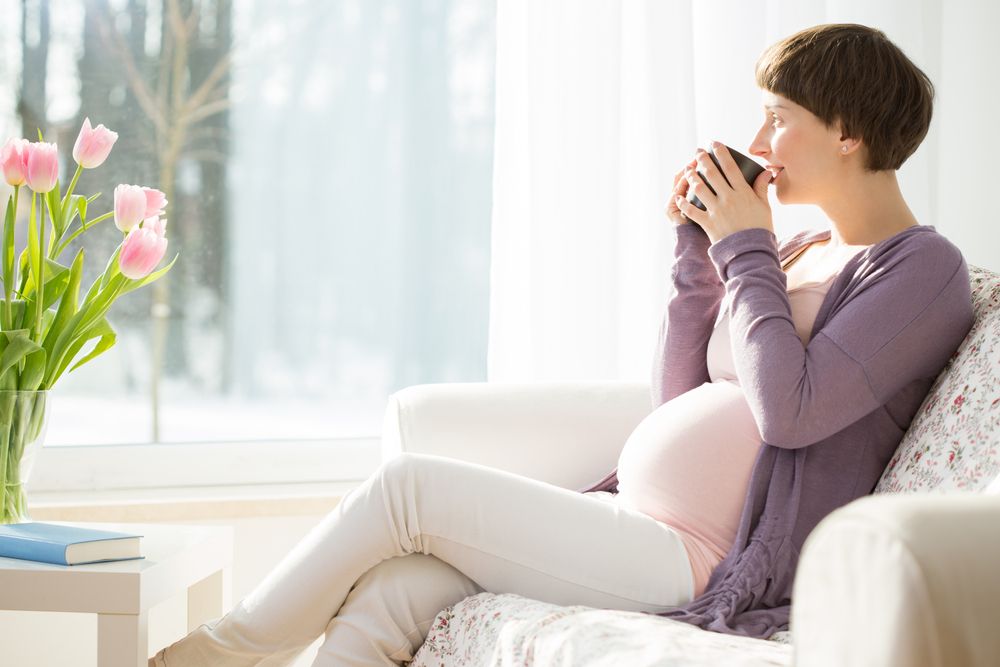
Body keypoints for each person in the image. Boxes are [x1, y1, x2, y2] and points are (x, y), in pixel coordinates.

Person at [150, 22, 974, 666]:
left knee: (407, 491)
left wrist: (745, 249)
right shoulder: (795, 251)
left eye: (779, 118)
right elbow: (681, 398)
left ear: (847, 133)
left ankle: (217, 653)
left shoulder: (922, 268)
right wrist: (700, 254)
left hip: (698, 557)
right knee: (399, 591)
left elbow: (793, 411)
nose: (759, 143)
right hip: (633, 517)